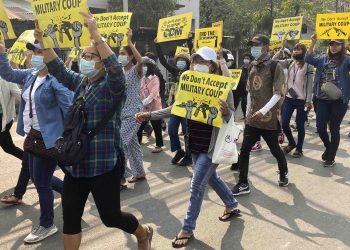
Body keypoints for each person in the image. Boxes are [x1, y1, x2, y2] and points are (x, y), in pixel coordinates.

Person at [35, 13, 153, 249]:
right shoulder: (82, 82)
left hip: (103, 165)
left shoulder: (113, 87)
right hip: (76, 164)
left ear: (103, 61)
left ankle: (142, 232)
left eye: (91, 56)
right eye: (84, 55)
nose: (85, 59)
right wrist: (43, 41)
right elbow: (58, 68)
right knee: (70, 218)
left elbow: (117, 71)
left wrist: (96, 36)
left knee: (111, 218)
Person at [135, 46, 240, 248]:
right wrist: (149, 115)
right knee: (212, 178)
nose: (197, 65)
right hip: (194, 143)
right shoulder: (188, 85)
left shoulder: (223, 87)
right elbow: (176, 108)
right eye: (195, 61)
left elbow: (231, 117)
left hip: (212, 147)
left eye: (202, 61)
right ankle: (231, 205)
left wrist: (225, 111)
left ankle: (187, 228)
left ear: (212, 65)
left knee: (197, 185)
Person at [0, 38, 70, 243]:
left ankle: (47, 224)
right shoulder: (31, 75)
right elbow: (8, 74)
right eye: (34, 52)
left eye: (39, 53)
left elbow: (69, 109)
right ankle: (71, 192)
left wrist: (67, 137)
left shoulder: (56, 81)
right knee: (40, 176)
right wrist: (3, 53)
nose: (34, 56)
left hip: (49, 139)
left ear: (50, 56)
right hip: (32, 137)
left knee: (41, 182)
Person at [232, 34, 289, 196]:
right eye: (252, 45)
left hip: (268, 118)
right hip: (252, 119)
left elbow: (278, 93)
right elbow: (249, 92)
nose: (253, 48)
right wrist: (248, 112)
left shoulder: (274, 66)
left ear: (265, 46)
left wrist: (262, 111)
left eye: (256, 45)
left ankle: (283, 171)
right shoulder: (252, 66)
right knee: (244, 150)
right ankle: (243, 183)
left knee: (274, 149)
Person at [305, 35, 350, 167]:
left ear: (342, 46)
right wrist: (313, 42)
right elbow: (308, 58)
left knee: (334, 128)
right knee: (320, 127)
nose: (334, 47)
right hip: (322, 99)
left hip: (339, 100)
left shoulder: (346, 60)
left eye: (337, 44)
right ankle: (329, 147)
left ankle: (331, 157)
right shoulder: (323, 58)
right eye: (332, 44)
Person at [154, 36, 192, 166]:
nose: (180, 62)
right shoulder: (176, 72)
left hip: (188, 108)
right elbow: (164, 62)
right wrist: (157, 45)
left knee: (187, 133)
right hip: (175, 107)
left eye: (183, 60)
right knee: (171, 130)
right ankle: (179, 151)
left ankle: (188, 156)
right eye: (179, 60)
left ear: (188, 62)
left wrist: (189, 41)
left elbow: (192, 56)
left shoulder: (191, 73)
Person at [272, 42, 315, 158]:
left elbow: (310, 85)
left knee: (300, 125)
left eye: (298, 50)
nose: (295, 52)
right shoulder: (289, 63)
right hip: (289, 98)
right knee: (284, 123)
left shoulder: (308, 65)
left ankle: (299, 149)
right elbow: (273, 61)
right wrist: (281, 50)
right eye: (294, 50)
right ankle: (292, 143)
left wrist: (308, 100)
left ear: (304, 52)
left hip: (303, 101)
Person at [118, 29, 146, 185]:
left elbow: (141, 61)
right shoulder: (119, 72)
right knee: (132, 145)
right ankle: (139, 172)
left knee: (121, 143)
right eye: (119, 53)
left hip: (134, 113)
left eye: (123, 53)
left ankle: (121, 175)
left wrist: (129, 42)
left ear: (130, 57)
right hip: (122, 113)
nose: (120, 56)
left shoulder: (136, 71)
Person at [137, 56, 164, 153]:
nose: (143, 67)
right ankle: (137, 146)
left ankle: (159, 145)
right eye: (142, 65)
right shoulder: (142, 78)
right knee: (139, 128)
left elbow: (153, 94)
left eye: (145, 65)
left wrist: (142, 102)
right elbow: (140, 91)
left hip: (154, 107)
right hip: (144, 108)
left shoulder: (155, 78)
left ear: (149, 66)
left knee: (157, 127)